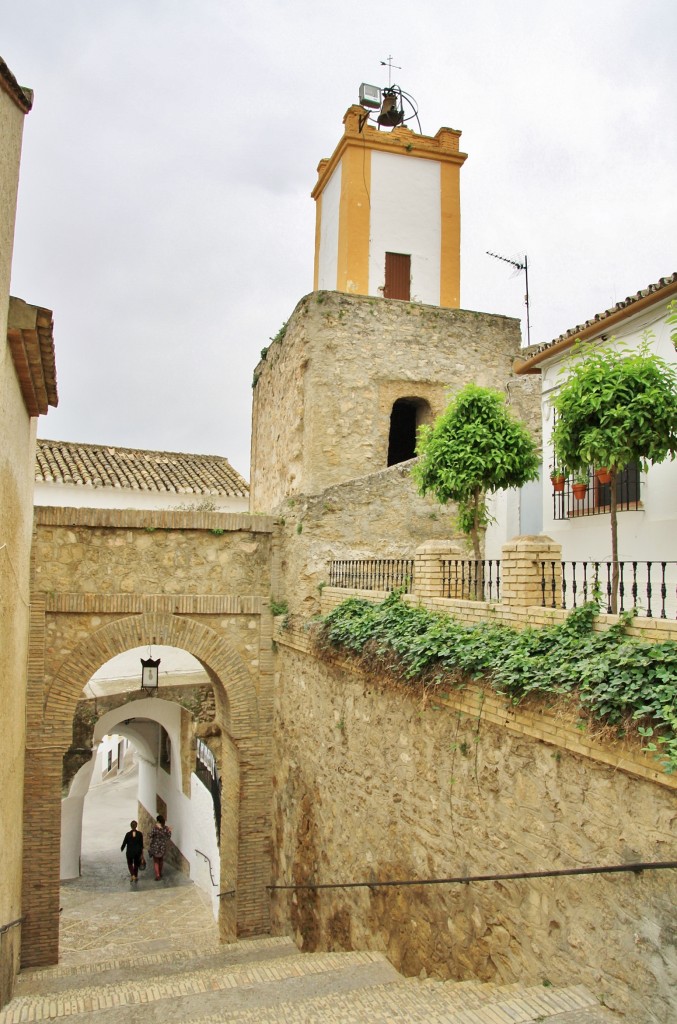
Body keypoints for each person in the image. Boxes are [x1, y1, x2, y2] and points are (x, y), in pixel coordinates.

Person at [147, 813, 172, 880]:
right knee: (161, 860)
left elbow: (150, 835)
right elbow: (168, 837)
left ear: (158, 821)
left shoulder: (155, 828)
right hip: (162, 847)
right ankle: (160, 872)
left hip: (155, 846)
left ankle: (157, 875)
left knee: (156, 861)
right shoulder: (166, 828)